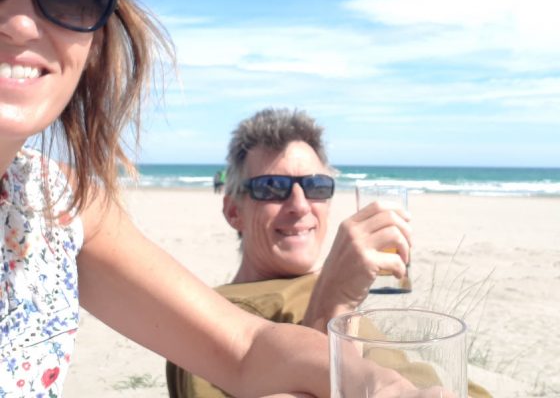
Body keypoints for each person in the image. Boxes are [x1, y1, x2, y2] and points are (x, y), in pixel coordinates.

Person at [0, 0, 451, 398]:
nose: (22, 21)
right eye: (270, 187)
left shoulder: (58, 205)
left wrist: (378, 385)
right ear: (232, 208)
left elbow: (244, 349)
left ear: (93, 42)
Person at [166, 108, 491, 398]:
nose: (300, 205)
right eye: (271, 187)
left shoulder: (334, 281)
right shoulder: (207, 317)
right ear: (234, 211)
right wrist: (332, 305)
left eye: (316, 186)